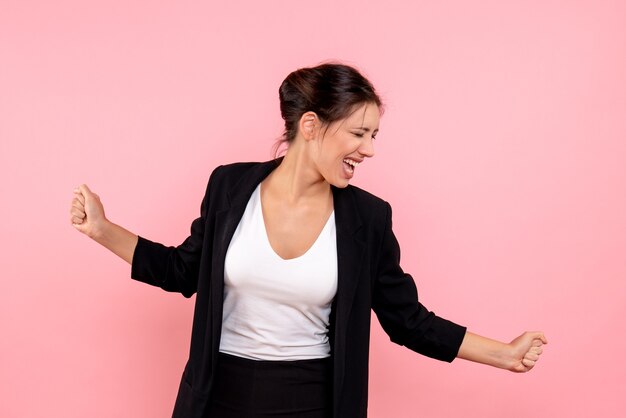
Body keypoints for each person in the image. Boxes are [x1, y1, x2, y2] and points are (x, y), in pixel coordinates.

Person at [69, 63, 547, 418]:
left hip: (311, 398)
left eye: (375, 134)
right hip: (215, 392)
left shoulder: (368, 218)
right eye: (359, 132)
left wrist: (501, 353)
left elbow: (407, 320)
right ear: (311, 126)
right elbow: (182, 271)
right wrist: (103, 229)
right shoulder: (230, 188)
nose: (371, 149)